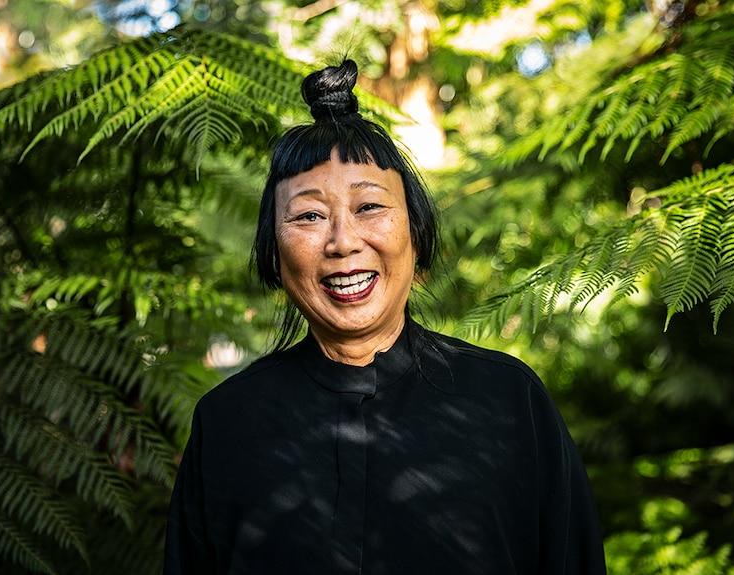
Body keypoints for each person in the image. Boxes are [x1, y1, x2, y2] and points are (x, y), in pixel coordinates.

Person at [163, 60, 606, 575]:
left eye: (370, 207)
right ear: (274, 254)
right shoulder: (228, 423)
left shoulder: (510, 403)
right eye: (308, 215)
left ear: (415, 235)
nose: (343, 242)